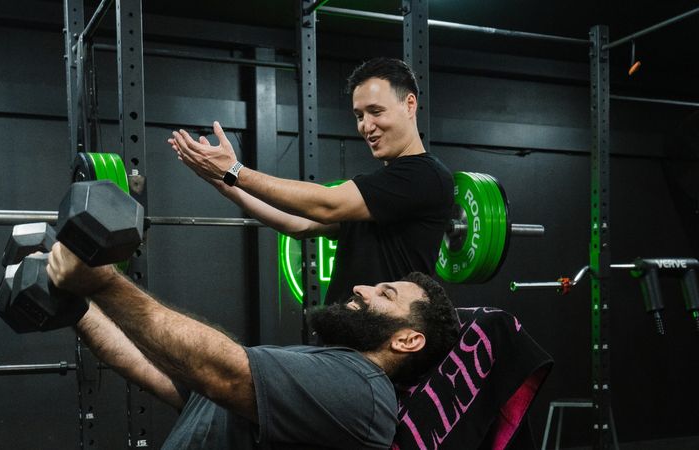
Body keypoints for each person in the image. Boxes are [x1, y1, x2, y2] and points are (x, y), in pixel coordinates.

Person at [45, 242, 460, 449]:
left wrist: (105, 282)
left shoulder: (365, 391)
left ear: (408, 340)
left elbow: (221, 371)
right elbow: (156, 370)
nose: (361, 288)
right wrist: (79, 307)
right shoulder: (326, 369)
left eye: (385, 294)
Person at [168, 57, 454, 304]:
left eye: (376, 112)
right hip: (346, 339)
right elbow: (300, 225)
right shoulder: (381, 188)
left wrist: (235, 170)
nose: (366, 126)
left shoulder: (425, 175)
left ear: (409, 104)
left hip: (385, 346)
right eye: (359, 115)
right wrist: (227, 183)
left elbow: (326, 205)